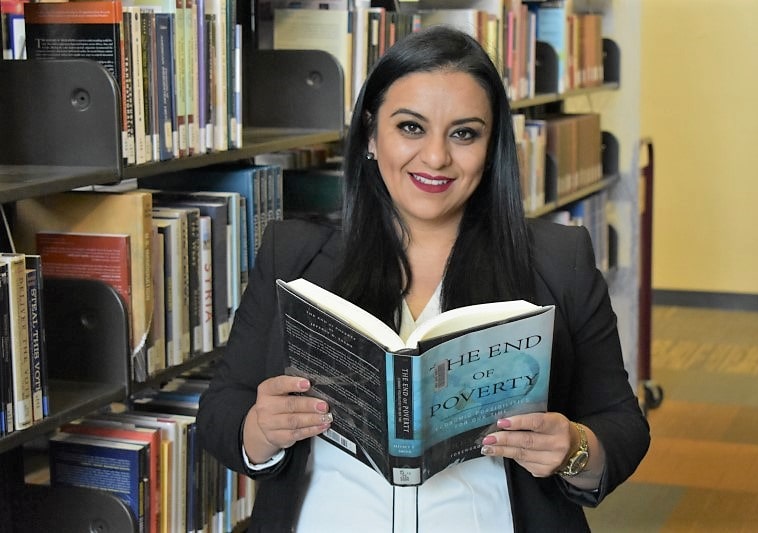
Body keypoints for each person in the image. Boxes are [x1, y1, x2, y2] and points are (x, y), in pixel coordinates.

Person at [197, 25, 650, 532]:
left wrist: (572, 448)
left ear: (492, 145)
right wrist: (260, 429)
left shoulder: (558, 260)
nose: (436, 157)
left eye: (464, 133)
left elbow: (623, 425)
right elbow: (219, 412)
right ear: (371, 134)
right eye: (411, 127)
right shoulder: (293, 253)